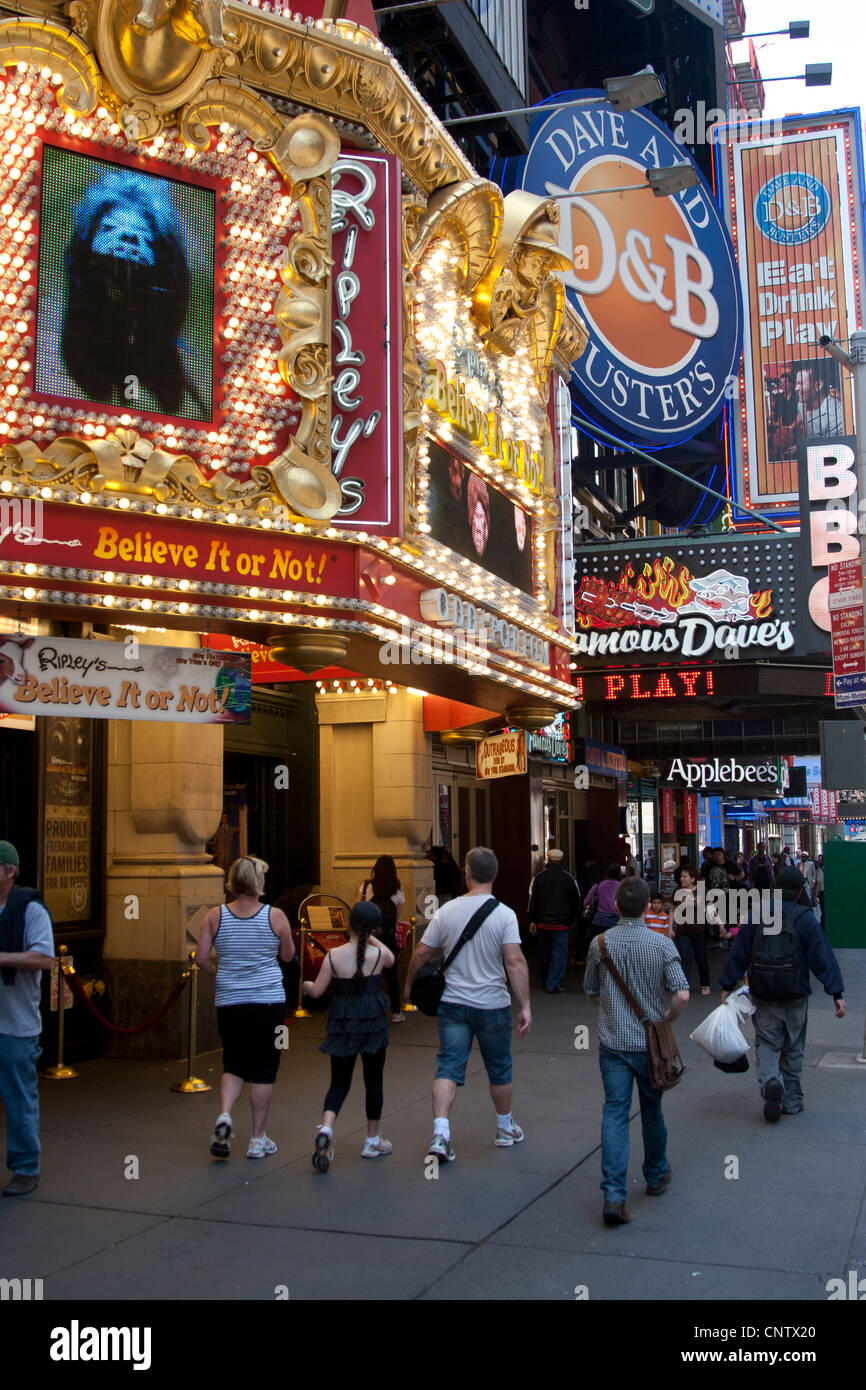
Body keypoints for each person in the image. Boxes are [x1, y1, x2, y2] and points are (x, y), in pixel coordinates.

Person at [403, 846, 532, 1164]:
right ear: (495, 875)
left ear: (467, 873)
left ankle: (441, 1134)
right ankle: (505, 1128)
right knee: (499, 1068)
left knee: (448, 1066)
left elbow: (422, 952)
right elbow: (514, 962)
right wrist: (525, 1005)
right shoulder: (505, 915)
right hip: (493, 1005)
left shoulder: (447, 911)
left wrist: (406, 986)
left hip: (453, 1004)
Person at [583, 877, 690, 1226]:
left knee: (614, 1113)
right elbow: (682, 993)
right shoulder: (661, 945)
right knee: (652, 1109)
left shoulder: (599, 944)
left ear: (615, 906)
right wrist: (666, 1020)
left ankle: (613, 1194)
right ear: (648, 907)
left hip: (613, 1043)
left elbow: (591, 991)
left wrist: (612, 1007)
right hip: (649, 1043)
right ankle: (656, 1173)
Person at [720, 867, 846, 1121]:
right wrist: (836, 993)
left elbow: (739, 952)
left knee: (767, 1042)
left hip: (763, 991)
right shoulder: (805, 918)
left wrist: (727, 984)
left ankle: (770, 1082)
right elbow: (822, 957)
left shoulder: (757, 914)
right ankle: (792, 1100)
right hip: (795, 992)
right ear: (800, 891)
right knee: (794, 1045)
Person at [196, 856, 295, 1160]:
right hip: (268, 1002)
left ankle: (225, 1115)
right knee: (265, 1066)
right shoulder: (275, 916)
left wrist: (222, 975)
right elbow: (288, 956)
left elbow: (201, 958)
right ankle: (257, 1138)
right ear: (258, 883)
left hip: (230, 1001)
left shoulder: (215, 916)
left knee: (234, 1062)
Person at [303, 900, 394, 1170]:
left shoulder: (333, 955)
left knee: (339, 1083)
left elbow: (317, 991)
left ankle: (327, 1130)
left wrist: (306, 986)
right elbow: (389, 956)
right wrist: (372, 938)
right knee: (373, 1081)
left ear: (349, 924)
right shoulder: (377, 956)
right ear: (372, 929)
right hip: (373, 1024)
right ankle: (372, 1139)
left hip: (343, 1024)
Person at [0, 842, 55, 1196]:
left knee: (19, 1096)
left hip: (15, 1024)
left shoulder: (30, 909)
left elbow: (43, 958)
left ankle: (25, 1166)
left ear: (10, 871)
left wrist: (2, 958)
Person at [528, 848, 582, 993]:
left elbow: (533, 900)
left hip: (542, 922)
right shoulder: (568, 878)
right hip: (561, 923)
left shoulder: (538, 878)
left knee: (544, 953)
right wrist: (574, 918)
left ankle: (546, 980)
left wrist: (532, 919)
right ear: (562, 861)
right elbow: (576, 900)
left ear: (548, 860)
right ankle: (553, 982)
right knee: (559, 953)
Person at [360, 855, 405, 1024]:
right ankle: (396, 1011)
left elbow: (359, 909)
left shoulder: (366, 887)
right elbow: (397, 919)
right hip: (388, 937)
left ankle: (368, 1008)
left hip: (369, 937)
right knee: (392, 975)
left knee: (369, 972)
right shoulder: (399, 892)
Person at [670, 864, 711, 997]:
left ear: (692, 878)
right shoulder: (677, 891)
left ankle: (705, 984)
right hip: (682, 930)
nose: (682, 879)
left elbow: (709, 906)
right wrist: (670, 928)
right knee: (685, 958)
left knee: (701, 957)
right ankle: (684, 985)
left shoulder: (701, 890)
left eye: (685, 876)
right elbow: (672, 910)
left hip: (699, 929)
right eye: (681, 876)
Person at [583, 863, 622, 933]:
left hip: (599, 922)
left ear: (606, 873)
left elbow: (585, 903)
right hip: (616, 922)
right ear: (619, 873)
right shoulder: (622, 887)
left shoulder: (597, 886)